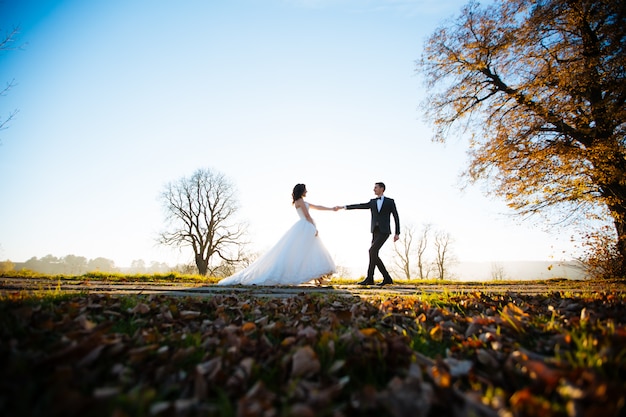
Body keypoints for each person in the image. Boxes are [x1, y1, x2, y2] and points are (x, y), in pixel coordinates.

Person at [218, 183, 337, 286]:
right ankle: (319, 278)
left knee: (310, 250)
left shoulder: (300, 201)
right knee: (308, 251)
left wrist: (332, 209)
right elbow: (307, 216)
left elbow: (317, 207)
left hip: (303, 227)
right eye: (305, 189)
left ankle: (319, 278)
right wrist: (314, 227)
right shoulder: (300, 201)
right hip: (306, 227)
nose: (307, 191)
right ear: (301, 190)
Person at [339, 182, 400, 286]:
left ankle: (385, 277)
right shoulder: (372, 202)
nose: (374, 189)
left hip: (384, 231)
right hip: (375, 231)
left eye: (376, 187)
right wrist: (345, 207)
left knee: (372, 251)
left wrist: (397, 232)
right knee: (373, 254)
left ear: (382, 188)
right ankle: (372, 278)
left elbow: (395, 216)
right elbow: (361, 205)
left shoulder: (390, 201)